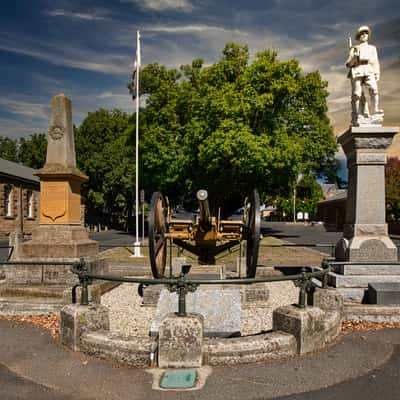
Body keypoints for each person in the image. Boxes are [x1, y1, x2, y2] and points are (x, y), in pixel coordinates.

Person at [345, 25, 383, 126]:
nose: (364, 35)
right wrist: (355, 58)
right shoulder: (355, 48)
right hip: (357, 70)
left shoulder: (372, 48)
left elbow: (375, 61)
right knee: (357, 94)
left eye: (365, 33)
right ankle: (358, 114)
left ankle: (375, 111)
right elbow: (348, 63)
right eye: (362, 33)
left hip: (369, 69)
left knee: (374, 90)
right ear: (359, 37)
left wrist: (377, 73)